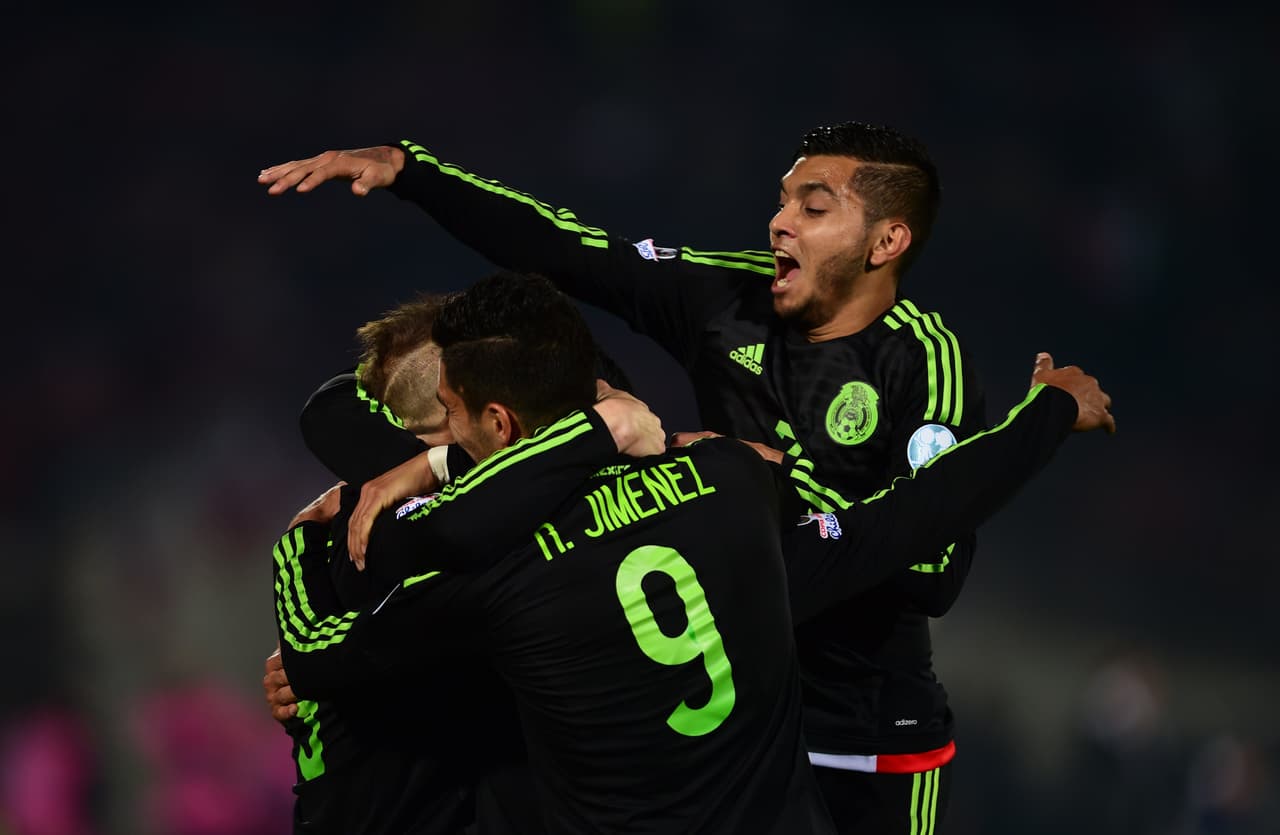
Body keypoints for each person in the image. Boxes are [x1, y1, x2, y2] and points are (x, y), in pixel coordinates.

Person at [258, 121, 995, 831]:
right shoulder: (725, 301)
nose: (779, 222)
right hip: (724, 723)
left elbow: (935, 569)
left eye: (813, 206)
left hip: (865, 739)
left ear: (887, 240)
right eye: (782, 198)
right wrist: (413, 173)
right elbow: (571, 250)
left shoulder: (927, 364)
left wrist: (774, 478)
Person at [272, 274, 1115, 833]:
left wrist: (312, 652)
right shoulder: (725, 485)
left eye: (450, 423)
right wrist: (1043, 416)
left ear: (496, 424)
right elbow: (904, 518)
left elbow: (326, 657)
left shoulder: (473, 572)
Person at [275, 272, 839, 834]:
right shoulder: (716, 479)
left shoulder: (470, 555)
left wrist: (298, 539)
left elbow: (310, 655)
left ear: (497, 419)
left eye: (452, 410)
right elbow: (331, 410)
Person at [269, 290, 664, 834]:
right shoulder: (416, 545)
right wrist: (606, 430)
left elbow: (331, 404)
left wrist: (301, 542)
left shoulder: (370, 515)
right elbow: (314, 657)